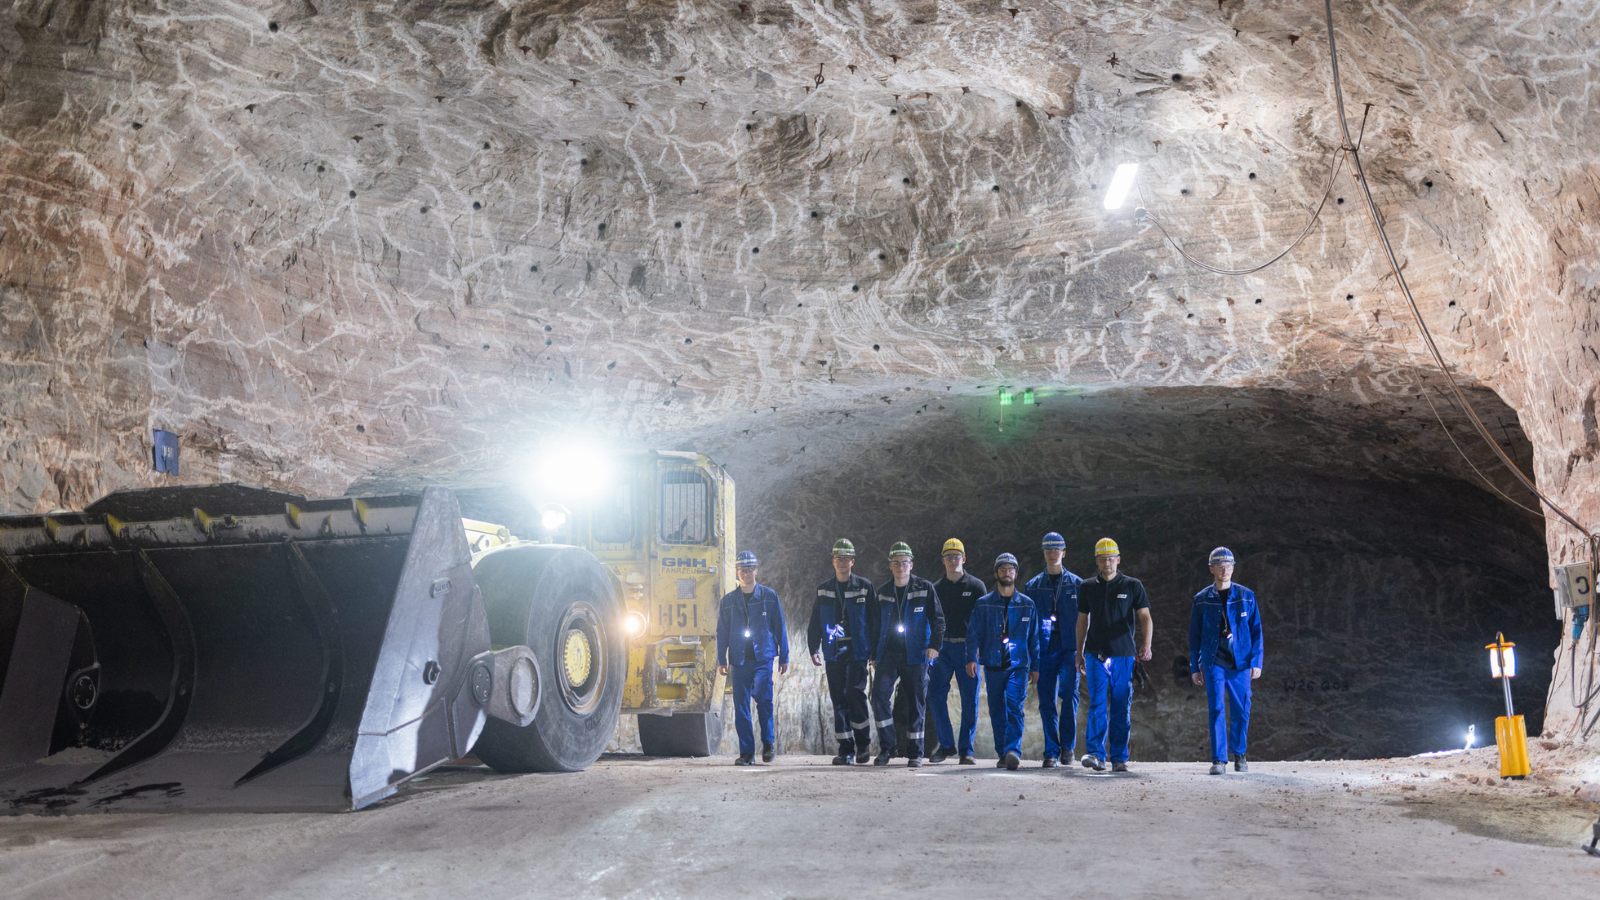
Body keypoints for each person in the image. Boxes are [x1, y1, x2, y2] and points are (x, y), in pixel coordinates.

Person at [1074, 538, 1151, 773]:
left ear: (1118, 559)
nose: (1107, 562)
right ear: (1097, 561)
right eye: (1102, 559)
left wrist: (1146, 645)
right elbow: (1082, 620)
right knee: (1097, 705)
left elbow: (1145, 616)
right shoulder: (1087, 586)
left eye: (1111, 558)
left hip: (1124, 655)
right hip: (1095, 654)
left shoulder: (1132, 585)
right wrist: (1079, 653)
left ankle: (1118, 757)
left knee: (1120, 707)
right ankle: (1096, 755)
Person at [1187, 547, 1263, 774]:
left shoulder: (1246, 596)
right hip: (1214, 661)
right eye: (1219, 566)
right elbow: (1194, 636)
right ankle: (1219, 760)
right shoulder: (1202, 600)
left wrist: (1256, 661)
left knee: (1242, 709)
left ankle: (1239, 754)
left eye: (1228, 566)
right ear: (1212, 569)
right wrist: (1194, 667)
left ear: (1233, 568)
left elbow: (1256, 630)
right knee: (1217, 708)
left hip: (1240, 662)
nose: (1224, 570)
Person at [869, 542, 944, 767]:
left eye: (904, 563)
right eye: (896, 563)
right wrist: (873, 654)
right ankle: (887, 746)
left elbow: (938, 620)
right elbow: (874, 624)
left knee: (916, 703)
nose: (900, 567)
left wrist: (934, 646)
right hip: (889, 654)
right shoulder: (882, 592)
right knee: (878, 696)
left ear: (911, 565)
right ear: (890, 566)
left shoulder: (925, 588)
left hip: (917, 654)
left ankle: (915, 753)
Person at [966, 553, 1039, 770]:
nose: (1007, 573)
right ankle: (1002, 753)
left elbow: (1034, 638)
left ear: (1016, 574)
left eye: (1011, 569)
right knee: (997, 710)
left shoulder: (1027, 605)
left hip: (1018, 665)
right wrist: (971, 658)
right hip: (993, 664)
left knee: (1014, 706)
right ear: (995, 573)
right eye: (1003, 569)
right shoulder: (983, 604)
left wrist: (1035, 666)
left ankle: (1013, 751)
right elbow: (973, 634)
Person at [716, 551, 789, 765]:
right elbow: (722, 631)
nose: (746, 574)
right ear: (737, 573)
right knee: (741, 706)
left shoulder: (769, 596)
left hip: (762, 658)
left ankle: (768, 744)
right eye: (742, 570)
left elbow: (780, 626)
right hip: (739, 660)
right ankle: (747, 753)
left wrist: (784, 656)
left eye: (749, 569)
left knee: (764, 701)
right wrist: (722, 659)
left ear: (756, 570)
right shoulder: (728, 601)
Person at [807, 539, 876, 765]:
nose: (842, 563)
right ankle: (845, 749)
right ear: (833, 561)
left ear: (853, 562)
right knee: (838, 698)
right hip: (834, 650)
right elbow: (816, 620)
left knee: (855, 694)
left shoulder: (864, 587)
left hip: (858, 650)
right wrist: (813, 647)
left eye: (846, 559)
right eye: (839, 559)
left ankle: (863, 746)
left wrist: (873, 651)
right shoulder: (824, 589)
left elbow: (875, 620)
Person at [1022, 532, 1083, 768]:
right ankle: (1051, 751)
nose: (1052, 554)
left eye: (1056, 550)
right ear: (1044, 554)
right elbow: (1027, 624)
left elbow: (1086, 620)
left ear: (1064, 553)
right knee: (1046, 701)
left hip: (1069, 649)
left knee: (1069, 696)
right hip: (1044, 650)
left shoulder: (1077, 585)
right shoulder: (1033, 586)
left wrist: (1083, 651)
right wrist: (1030, 657)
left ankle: (1067, 748)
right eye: (1048, 550)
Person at [927, 538, 986, 764]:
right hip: (941, 649)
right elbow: (930, 620)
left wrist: (978, 648)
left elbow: (982, 621)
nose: (953, 561)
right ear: (943, 560)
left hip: (966, 648)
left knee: (969, 699)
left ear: (964, 559)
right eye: (949, 557)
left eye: (956, 556)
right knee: (935, 695)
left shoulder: (976, 586)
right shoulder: (936, 588)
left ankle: (966, 750)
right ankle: (946, 745)